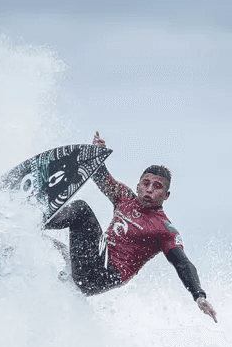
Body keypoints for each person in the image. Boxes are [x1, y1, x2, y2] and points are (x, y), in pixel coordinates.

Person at [45, 132, 218, 322]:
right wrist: (97, 153)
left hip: (105, 274)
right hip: (90, 264)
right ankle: (23, 238)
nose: (150, 189)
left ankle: (35, 219)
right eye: (146, 183)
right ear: (138, 186)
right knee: (50, 246)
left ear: (166, 195)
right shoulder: (124, 197)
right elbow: (99, 174)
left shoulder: (164, 229)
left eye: (157, 186)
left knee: (81, 210)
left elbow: (183, 264)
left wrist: (199, 294)